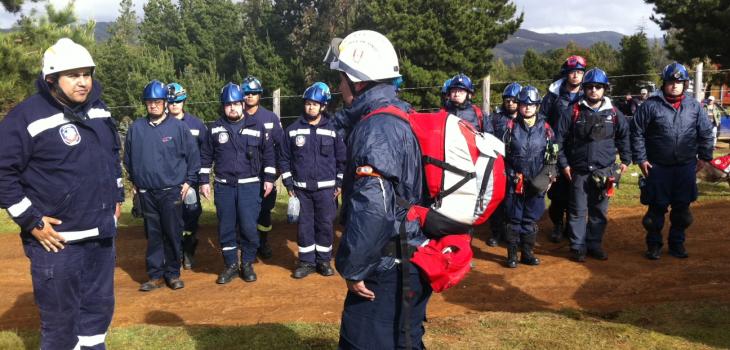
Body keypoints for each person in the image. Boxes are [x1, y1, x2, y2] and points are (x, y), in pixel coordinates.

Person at [0, 37, 123, 350]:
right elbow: (3, 174)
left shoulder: (99, 109)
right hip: (57, 243)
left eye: (87, 73)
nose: (83, 82)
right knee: (60, 327)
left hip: (100, 237)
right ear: (51, 79)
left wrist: (117, 196)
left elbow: (111, 154)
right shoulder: (25, 117)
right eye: (74, 75)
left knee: (96, 316)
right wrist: (31, 221)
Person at [325, 30, 432, 348]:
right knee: (406, 339)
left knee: (365, 341)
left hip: (386, 268)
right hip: (408, 259)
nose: (339, 86)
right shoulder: (399, 114)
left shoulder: (376, 128)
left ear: (358, 82)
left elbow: (374, 204)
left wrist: (354, 266)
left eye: (342, 78)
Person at [631, 62, 714, 260]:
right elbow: (637, 133)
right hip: (658, 168)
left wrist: (705, 156)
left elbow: (706, 132)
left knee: (682, 212)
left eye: (679, 82)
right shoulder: (650, 105)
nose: (675, 85)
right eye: (671, 81)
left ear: (685, 84)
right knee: (654, 213)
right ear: (664, 83)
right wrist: (641, 159)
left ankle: (677, 244)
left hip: (685, 167)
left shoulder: (694, 106)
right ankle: (654, 245)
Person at [124, 80, 200, 292]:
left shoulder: (178, 128)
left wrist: (188, 181)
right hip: (147, 192)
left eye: (157, 101)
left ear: (165, 103)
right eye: (149, 102)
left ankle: (173, 273)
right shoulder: (136, 128)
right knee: (153, 235)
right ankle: (155, 275)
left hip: (171, 191)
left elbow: (193, 157)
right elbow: (128, 159)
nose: (153, 105)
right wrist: (135, 182)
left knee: (172, 233)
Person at [199, 83, 275, 284]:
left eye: (235, 103)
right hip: (224, 186)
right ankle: (231, 265)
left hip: (250, 186)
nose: (232, 108)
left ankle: (247, 263)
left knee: (249, 227)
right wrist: (204, 181)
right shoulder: (214, 128)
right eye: (227, 104)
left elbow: (268, 154)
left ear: (242, 104)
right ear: (223, 106)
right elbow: (206, 156)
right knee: (226, 227)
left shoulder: (257, 126)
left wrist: (268, 179)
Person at [556, 68, 631, 262]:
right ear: (584, 88)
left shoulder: (614, 113)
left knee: (599, 211)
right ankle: (578, 247)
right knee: (577, 211)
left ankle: (594, 244)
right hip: (578, 171)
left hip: (604, 171)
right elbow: (558, 140)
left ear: (605, 89)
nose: (594, 91)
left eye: (598, 87)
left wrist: (625, 159)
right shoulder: (572, 111)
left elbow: (624, 136)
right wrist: (563, 164)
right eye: (589, 87)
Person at [280, 82, 346, 279]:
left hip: (327, 190)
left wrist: (339, 183)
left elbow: (342, 159)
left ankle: (323, 261)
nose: (311, 107)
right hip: (301, 190)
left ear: (323, 106)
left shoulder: (333, 130)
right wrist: (289, 184)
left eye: (315, 104)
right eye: (308, 103)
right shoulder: (292, 130)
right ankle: (306, 262)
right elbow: (284, 158)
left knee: (325, 224)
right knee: (305, 225)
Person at [502, 86, 556, 268]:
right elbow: (501, 155)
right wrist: (509, 175)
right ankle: (511, 255)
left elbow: (553, 155)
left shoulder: (547, 129)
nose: (527, 108)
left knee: (530, 219)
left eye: (531, 105)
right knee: (514, 219)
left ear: (537, 106)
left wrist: (549, 176)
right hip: (514, 180)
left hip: (537, 180)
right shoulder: (509, 127)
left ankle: (527, 253)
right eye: (524, 104)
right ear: (519, 105)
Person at [541, 55, 587, 243]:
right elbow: (542, 119)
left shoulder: (590, 92)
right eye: (572, 72)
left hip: (580, 147)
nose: (575, 76)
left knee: (577, 189)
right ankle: (558, 224)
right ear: (566, 74)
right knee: (556, 189)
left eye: (579, 72)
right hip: (554, 146)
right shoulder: (553, 95)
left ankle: (572, 225)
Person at [241, 75, 283, 259]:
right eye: (246, 93)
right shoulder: (235, 116)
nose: (250, 96)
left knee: (264, 211)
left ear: (260, 95)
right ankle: (246, 244)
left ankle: (263, 242)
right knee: (243, 212)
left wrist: (275, 173)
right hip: (243, 175)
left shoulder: (270, 118)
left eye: (253, 93)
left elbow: (281, 146)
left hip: (265, 175)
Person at [166, 82, 207, 269]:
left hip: (190, 181)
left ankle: (189, 250)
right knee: (171, 220)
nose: (174, 105)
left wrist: (198, 180)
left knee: (191, 217)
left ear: (184, 101)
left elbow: (204, 153)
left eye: (178, 101)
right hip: (168, 182)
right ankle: (175, 253)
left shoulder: (197, 125)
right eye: (171, 101)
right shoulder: (161, 125)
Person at [486, 81, 522, 247]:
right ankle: (496, 232)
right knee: (498, 199)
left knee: (516, 200)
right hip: (499, 164)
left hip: (519, 165)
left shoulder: (526, 117)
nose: (510, 103)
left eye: (514, 99)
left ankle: (515, 233)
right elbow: (488, 137)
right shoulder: (496, 117)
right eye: (507, 99)